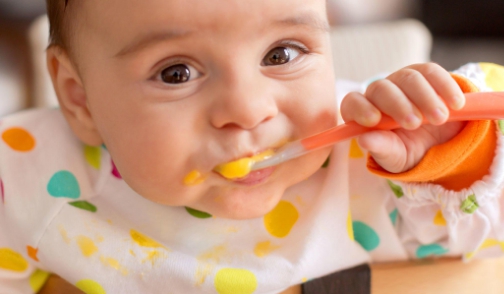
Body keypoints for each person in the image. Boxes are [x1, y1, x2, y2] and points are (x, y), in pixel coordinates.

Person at [1, 0, 503, 293]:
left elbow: (485, 243)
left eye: (282, 53)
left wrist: (449, 157)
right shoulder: (32, 176)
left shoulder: (376, 152)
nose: (247, 109)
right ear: (80, 99)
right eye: (176, 72)